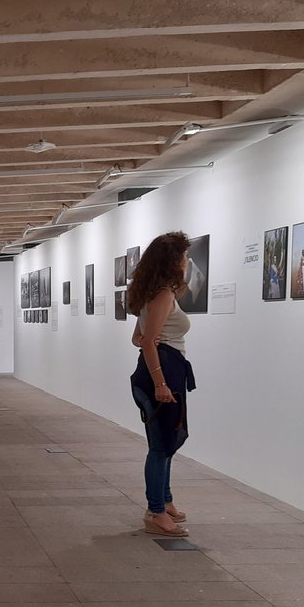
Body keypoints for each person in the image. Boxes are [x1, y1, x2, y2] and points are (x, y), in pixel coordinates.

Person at [128, 231, 195, 538]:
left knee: (166, 443)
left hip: (166, 370)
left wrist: (151, 341)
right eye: (183, 256)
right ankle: (156, 511)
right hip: (161, 374)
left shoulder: (154, 293)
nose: (186, 261)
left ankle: (164, 501)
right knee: (160, 446)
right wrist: (160, 384)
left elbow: (137, 338)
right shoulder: (163, 295)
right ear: (173, 260)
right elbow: (147, 344)